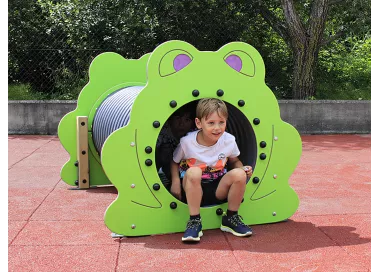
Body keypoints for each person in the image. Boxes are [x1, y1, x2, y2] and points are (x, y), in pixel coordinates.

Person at [170, 98, 253, 242]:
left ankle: (231, 218)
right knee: (194, 171)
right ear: (198, 123)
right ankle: (194, 221)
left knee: (239, 174)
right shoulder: (187, 142)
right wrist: (175, 181)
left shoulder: (228, 140)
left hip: (218, 188)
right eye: (211, 123)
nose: (217, 128)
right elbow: (174, 162)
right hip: (193, 188)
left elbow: (235, 161)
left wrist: (243, 169)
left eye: (222, 122)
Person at [156, 102, 196, 188]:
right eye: (178, 118)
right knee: (166, 150)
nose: (182, 124)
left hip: (185, 168)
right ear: (170, 119)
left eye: (187, 120)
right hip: (163, 158)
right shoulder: (161, 133)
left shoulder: (194, 134)